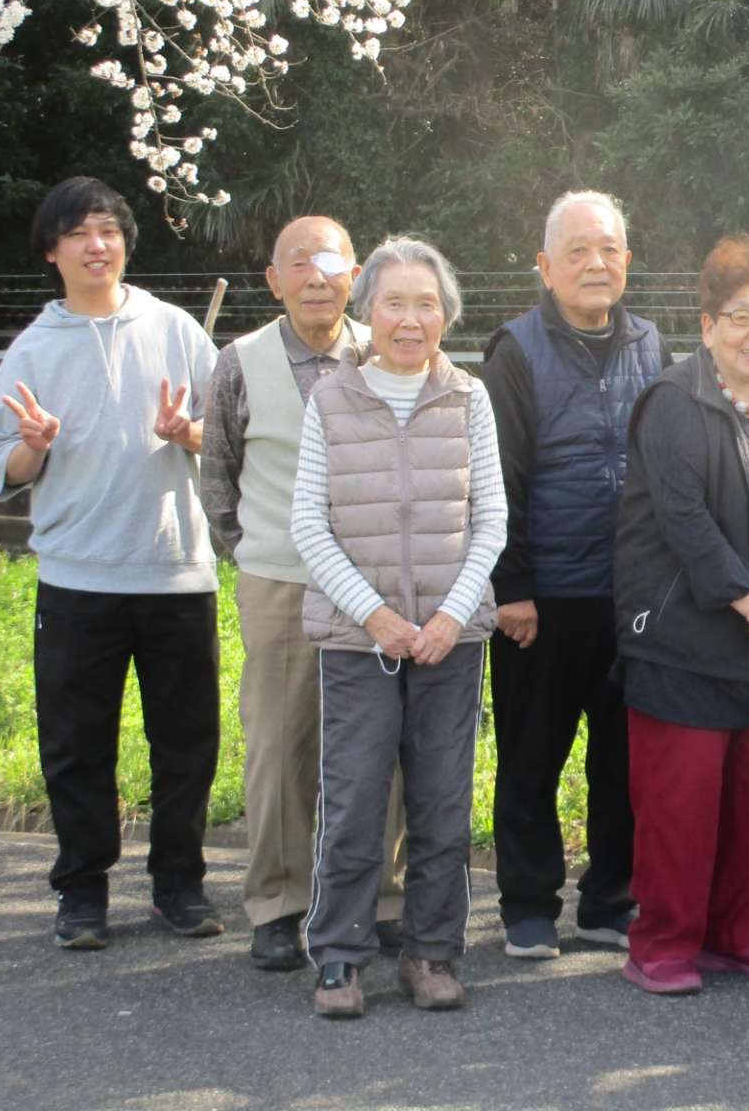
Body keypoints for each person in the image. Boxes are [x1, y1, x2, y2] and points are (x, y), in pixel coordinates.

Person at [0, 178, 223, 951]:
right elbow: (5, 465)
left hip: (176, 573)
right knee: (77, 746)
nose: (97, 245)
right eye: (79, 233)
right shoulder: (33, 348)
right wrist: (34, 447)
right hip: (77, 577)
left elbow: (229, 438)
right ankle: (81, 890)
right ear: (51, 252)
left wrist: (188, 434)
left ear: (125, 243)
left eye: (109, 230)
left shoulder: (176, 329)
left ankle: (179, 884)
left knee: (186, 743)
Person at [292, 237, 506, 1018]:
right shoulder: (330, 400)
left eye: (427, 305)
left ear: (446, 314)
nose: (411, 320)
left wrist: (450, 616)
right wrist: (376, 616)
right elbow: (308, 524)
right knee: (353, 800)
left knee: (443, 803)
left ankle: (431, 952)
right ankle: (339, 958)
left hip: (453, 640)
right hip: (360, 640)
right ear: (367, 313)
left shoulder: (469, 397)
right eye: (394, 304)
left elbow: (492, 518)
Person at [201, 215, 407, 971]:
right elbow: (218, 479)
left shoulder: (389, 348)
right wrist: (256, 551)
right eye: (299, 262)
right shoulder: (240, 362)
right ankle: (278, 904)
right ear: (273, 280)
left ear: (356, 275)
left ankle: (381, 898)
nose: (316, 276)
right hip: (281, 582)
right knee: (279, 746)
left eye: (330, 260)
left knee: (381, 747)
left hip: (381, 585)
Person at [610, 235, 749, 996]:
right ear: (707, 324)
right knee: (680, 809)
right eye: (741, 317)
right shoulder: (673, 401)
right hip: (682, 643)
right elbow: (685, 520)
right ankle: (661, 944)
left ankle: (734, 934)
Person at [480, 191, 666, 960]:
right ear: (545, 266)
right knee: (532, 754)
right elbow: (499, 476)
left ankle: (608, 900)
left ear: (628, 260)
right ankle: (528, 905)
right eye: (578, 251)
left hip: (628, 595)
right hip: (543, 597)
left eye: (609, 249)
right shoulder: (515, 350)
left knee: (623, 759)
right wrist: (512, 586)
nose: (596, 264)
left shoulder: (650, 342)